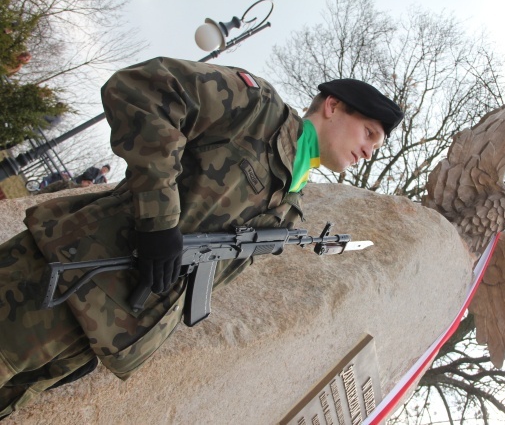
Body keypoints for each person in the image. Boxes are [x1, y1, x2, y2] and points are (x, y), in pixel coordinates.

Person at [0, 57, 403, 417]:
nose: (369, 151)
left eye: (376, 146)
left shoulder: (289, 205)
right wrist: (159, 221)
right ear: (333, 106)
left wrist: (124, 341)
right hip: (55, 282)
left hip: (92, 336)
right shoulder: (257, 109)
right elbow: (143, 88)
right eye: (368, 133)